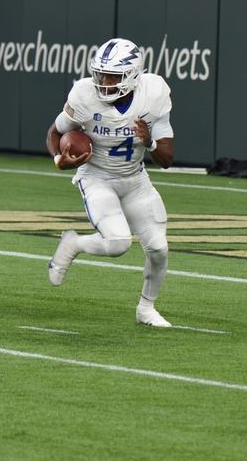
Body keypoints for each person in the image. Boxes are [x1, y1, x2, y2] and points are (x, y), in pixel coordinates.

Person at [46, 37, 175, 327]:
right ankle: (73, 244)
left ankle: (146, 309)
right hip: (97, 177)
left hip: (134, 179)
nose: (103, 81)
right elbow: (54, 133)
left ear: (132, 75)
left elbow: (167, 159)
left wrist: (150, 142)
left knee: (159, 248)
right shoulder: (83, 95)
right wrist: (59, 160)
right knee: (117, 243)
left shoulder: (153, 95)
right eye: (100, 73)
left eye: (112, 75)